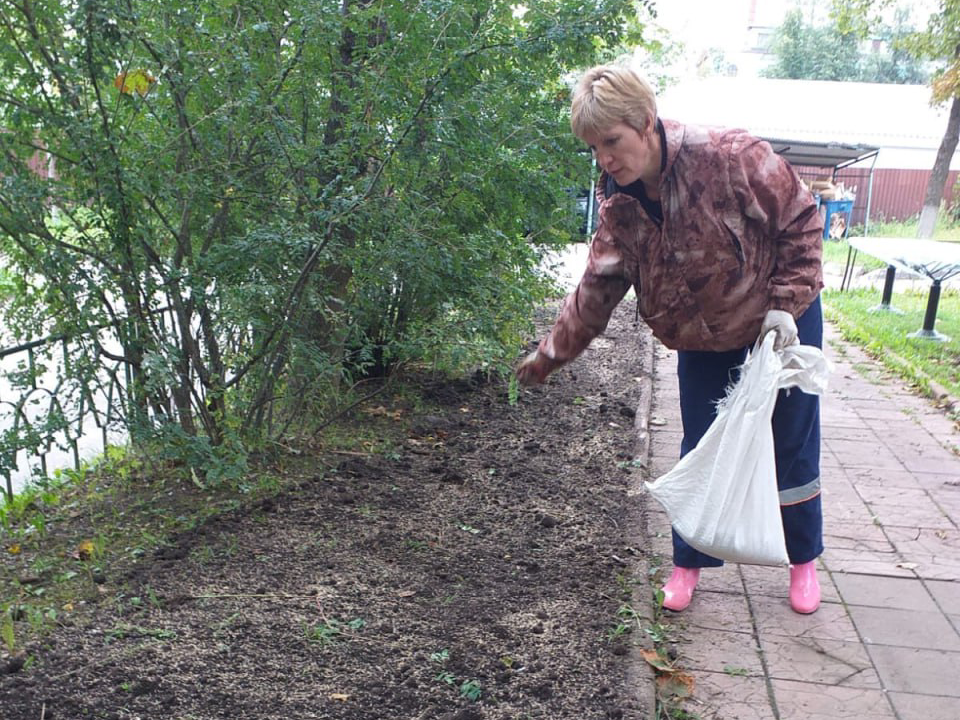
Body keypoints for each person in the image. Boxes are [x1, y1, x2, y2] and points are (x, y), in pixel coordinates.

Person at [516, 64, 825, 615]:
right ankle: (688, 565)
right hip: (702, 340)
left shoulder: (730, 157)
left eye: (611, 141)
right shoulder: (620, 210)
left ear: (645, 122)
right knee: (700, 449)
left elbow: (801, 220)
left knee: (790, 442)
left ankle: (802, 563)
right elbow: (595, 290)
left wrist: (785, 304)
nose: (605, 159)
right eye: (593, 148)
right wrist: (550, 355)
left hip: (778, 324)